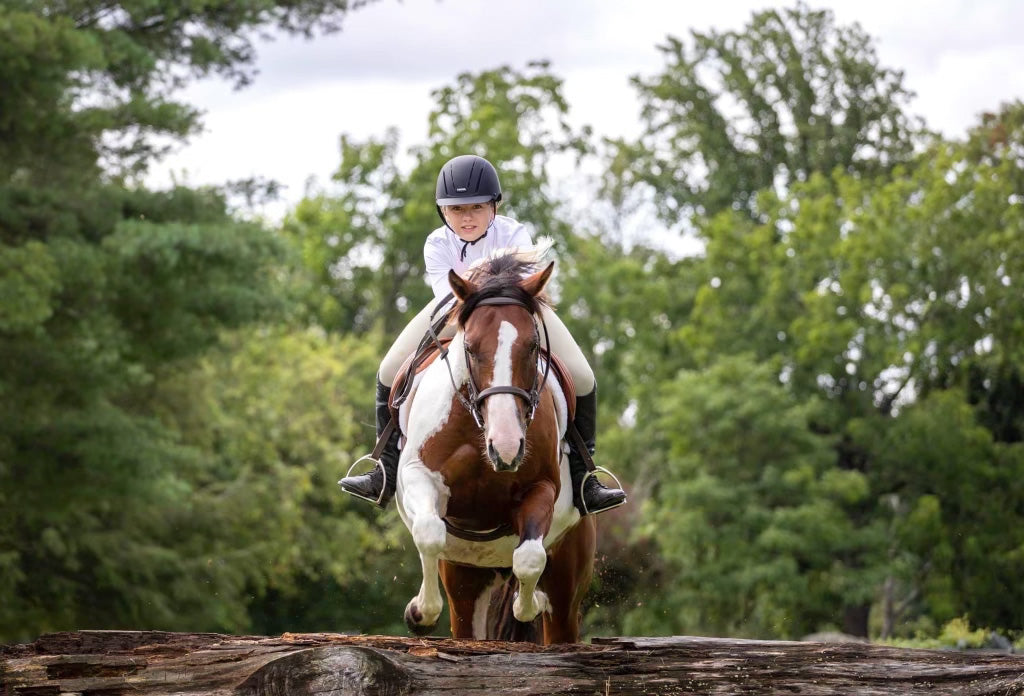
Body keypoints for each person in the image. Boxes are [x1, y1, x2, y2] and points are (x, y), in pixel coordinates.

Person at [338, 154, 626, 516]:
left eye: (476, 207)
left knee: (583, 376)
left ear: (495, 205)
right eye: (456, 210)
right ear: (443, 211)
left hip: (518, 313)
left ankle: (586, 479)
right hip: (456, 311)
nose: (467, 218)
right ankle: (385, 468)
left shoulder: (515, 233)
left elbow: (525, 287)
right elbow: (450, 295)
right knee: (387, 369)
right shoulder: (436, 243)